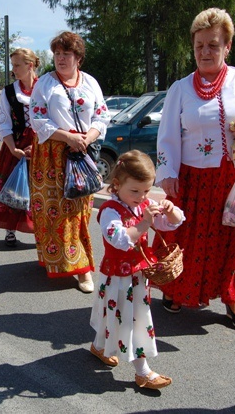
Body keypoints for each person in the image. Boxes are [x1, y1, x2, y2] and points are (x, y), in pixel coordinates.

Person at [156, 8, 235, 331]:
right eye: (199, 46)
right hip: (193, 180)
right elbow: (167, 135)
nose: (205, 52)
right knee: (187, 238)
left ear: (228, 46)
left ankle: (232, 297)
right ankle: (177, 289)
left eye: (213, 45)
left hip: (234, 180)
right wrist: (167, 172)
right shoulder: (180, 89)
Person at [90, 150, 184, 389]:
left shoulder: (144, 203)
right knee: (132, 320)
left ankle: (99, 346)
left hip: (138, 276)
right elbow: (118, 239)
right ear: (117, 184)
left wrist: (170, 210)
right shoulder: (110, 211)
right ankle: (143, 371)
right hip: (117, 277)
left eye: (146, 190)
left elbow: (171, 222)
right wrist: (144, 224)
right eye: (135, 191)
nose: (142, 196)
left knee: (120, 316)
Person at [29, 31, 110, 292]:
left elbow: (101, 115)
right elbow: (38, 118)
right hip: (51, 153)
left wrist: (88, 137)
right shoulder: (45, 83)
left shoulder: (90, 83)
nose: (61, 59)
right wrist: (68, 137)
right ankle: (54, 259)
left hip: (81, 152)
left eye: (67, 54)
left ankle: (82, 267)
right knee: (52, 210)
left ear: (78, 57)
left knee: (78, 211)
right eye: (57, 54)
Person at [0, 48, 38, 246]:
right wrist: (13, 148)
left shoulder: (45, 88)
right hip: (17, 144)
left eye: (17, 65)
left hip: (43, 144)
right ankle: (10, 229)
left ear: (30, 65)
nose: (14, 69)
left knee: (40, 188)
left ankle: (41, 229)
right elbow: (4, 123)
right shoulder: (9, 91)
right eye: (13, 65)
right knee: (12, 186)